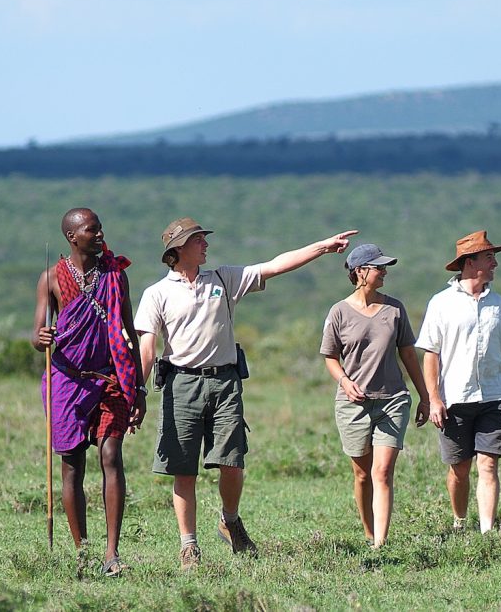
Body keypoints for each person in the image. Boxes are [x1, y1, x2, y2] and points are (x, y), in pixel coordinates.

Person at [135, 217, 356, 569]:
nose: (205, 244)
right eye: (198, 240)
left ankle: (230, 519)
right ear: (178, 249)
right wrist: (137, 390)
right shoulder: (156, 293)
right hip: (181, 384)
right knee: (183, 469)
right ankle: (189, 546)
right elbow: (147, 348)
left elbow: (274, 266)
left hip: (225, 382)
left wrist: (323, 247)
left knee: (232, 461)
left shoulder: (223, 279)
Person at [31, 208, 146, 577]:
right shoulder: (51, 278)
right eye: (92, 230)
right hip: (66, 382)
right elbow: (37, 334)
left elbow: (129, 332)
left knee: (111, 455)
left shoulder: (115, 276)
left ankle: (112, 554)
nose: (100, 235)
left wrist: (138, 388)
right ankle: (83, 552)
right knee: (72, 466)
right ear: (72, 237)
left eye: (100, 229)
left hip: (109, 379)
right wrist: (41, 337)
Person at [319, 243, 430, 549]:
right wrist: (344, 381)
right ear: (360, 272)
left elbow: (408, 354)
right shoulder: (339, 312)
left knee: (382, 471)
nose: (384, 272)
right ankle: (369, 533)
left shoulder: (395, 309)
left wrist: (424, 396)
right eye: (379, 267)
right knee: (362, 474)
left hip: (392, 400)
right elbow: (330, 356)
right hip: (353, 405)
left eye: (384, 267)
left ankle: (380, 542)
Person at [416, 231, 501, 533]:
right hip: (455, 398)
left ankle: (487, 532)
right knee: (460, 470)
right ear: (470, 262)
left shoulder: (498, 304)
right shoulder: (441, 303)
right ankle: (460, 521)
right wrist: (434, 398)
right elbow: (431, 354)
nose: (495, 263)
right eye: (489, 257)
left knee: (488, 465)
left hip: (495, 396)